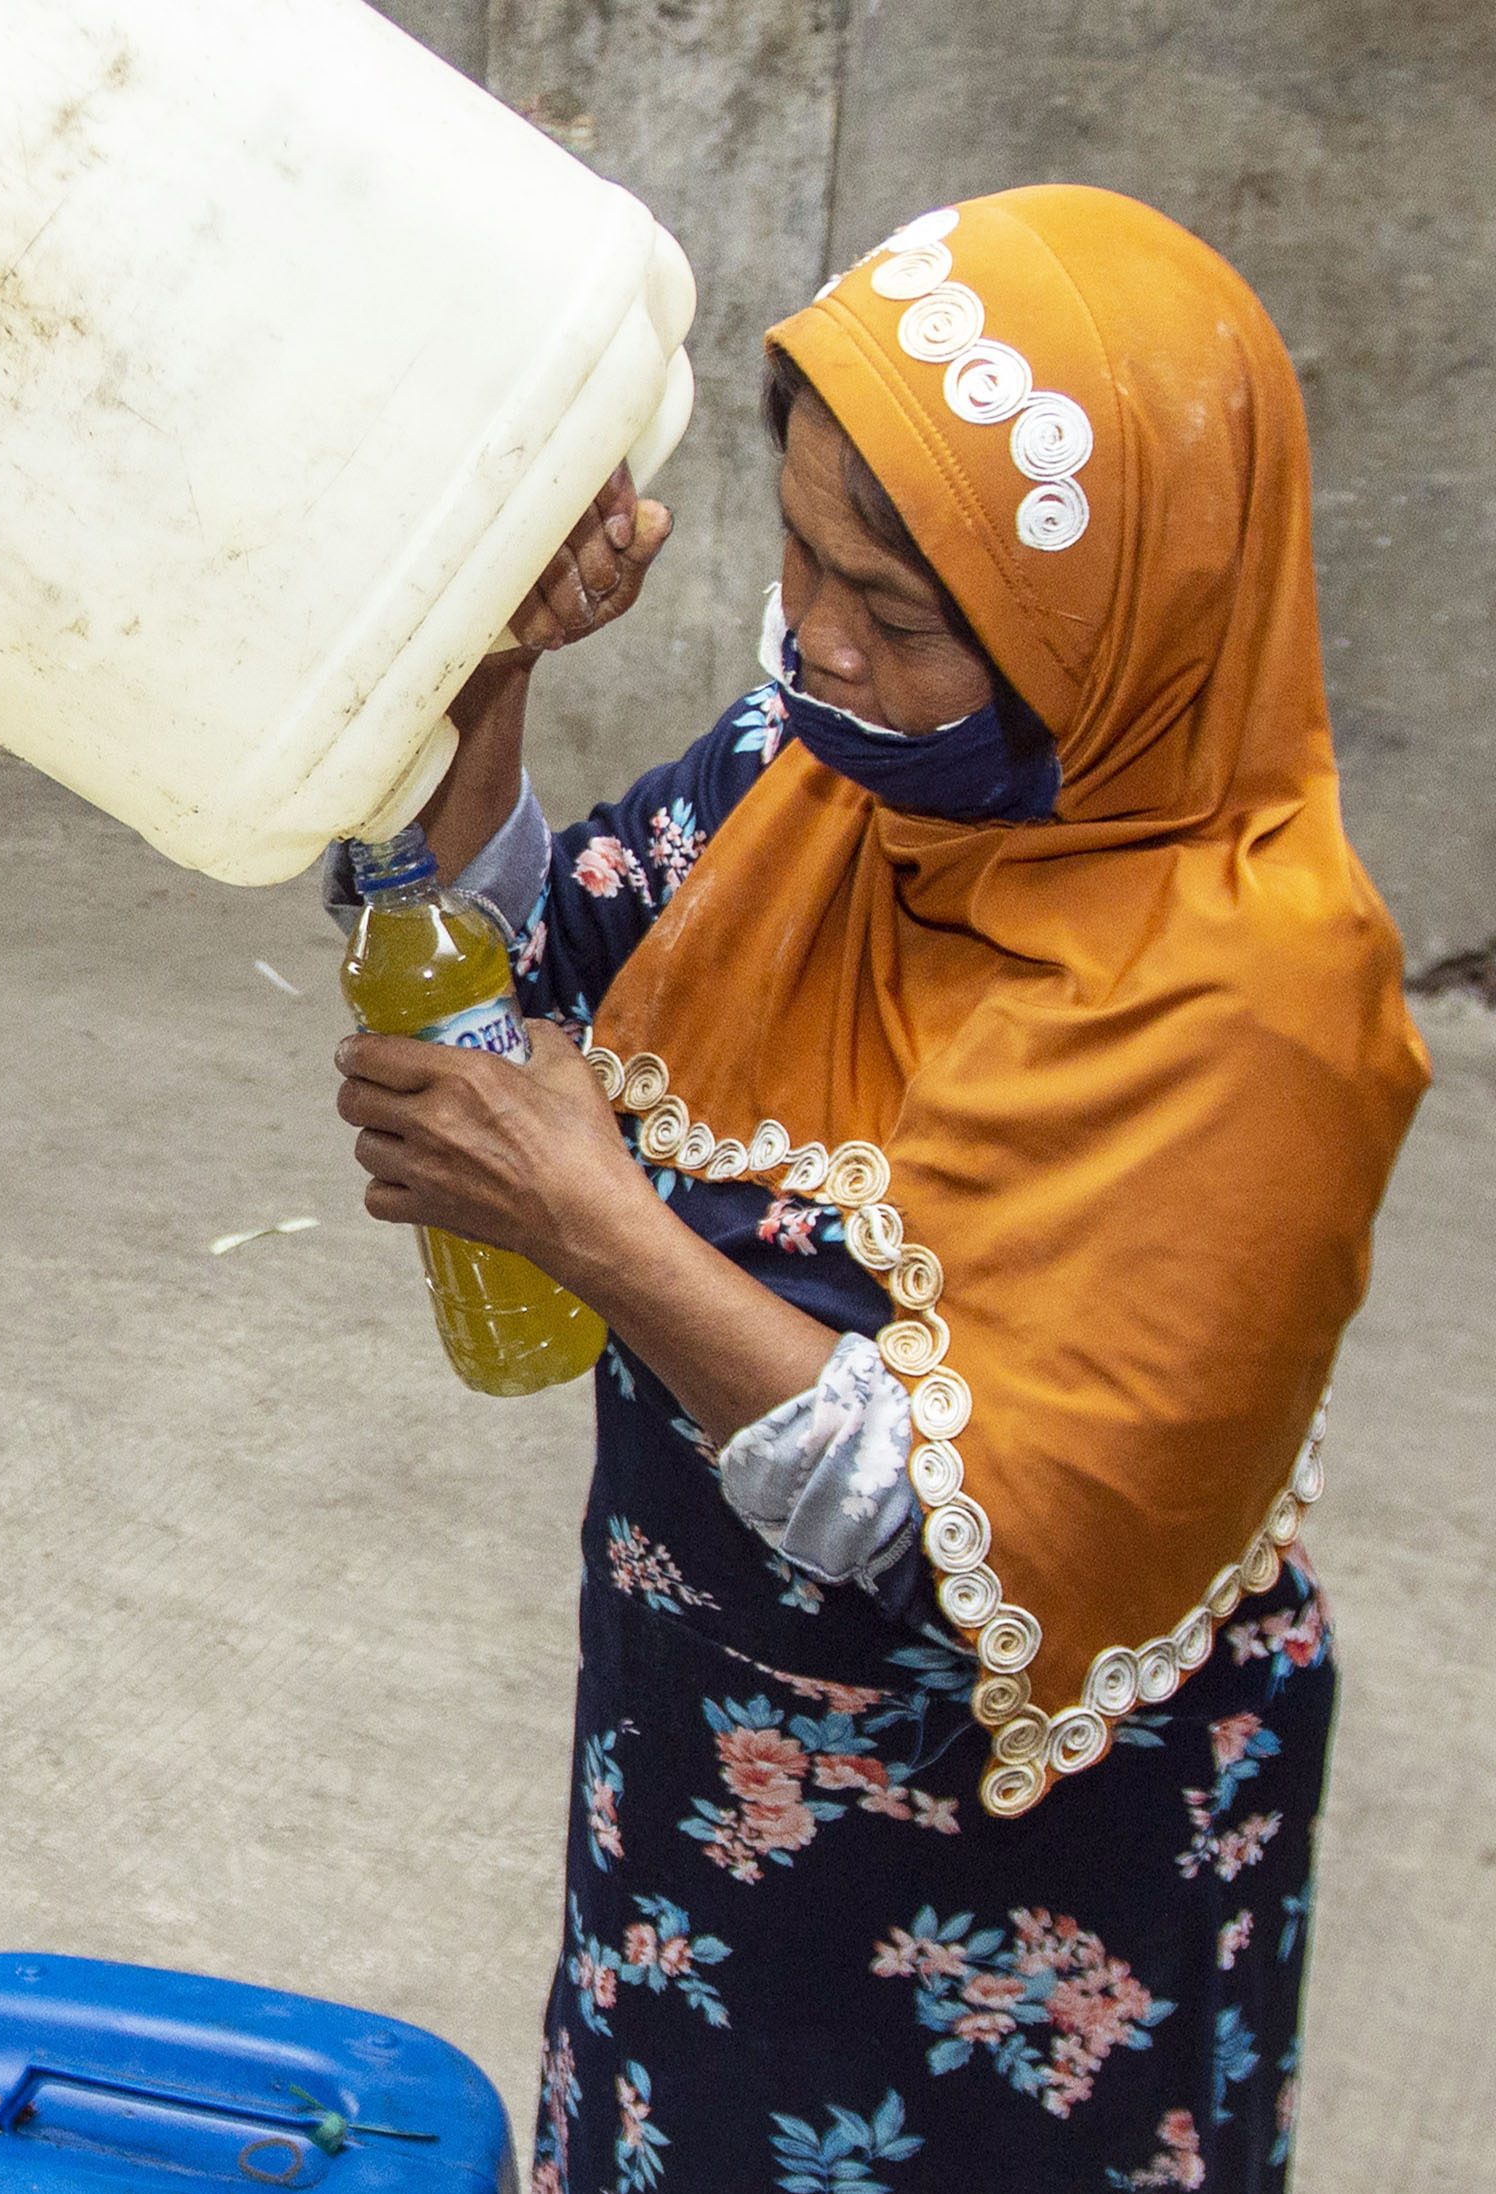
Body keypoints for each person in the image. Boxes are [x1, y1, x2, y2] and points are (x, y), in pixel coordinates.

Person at [330, 186, 1428, 2189]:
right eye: (799, 561)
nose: (816, 645)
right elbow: (528, 977)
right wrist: (481, 678)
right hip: (707, 1801)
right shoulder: (827, 772)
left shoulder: (1251, 1007)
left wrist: (594, 1223)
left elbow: (963, 1533)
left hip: (1024, 1904)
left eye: (898, 616)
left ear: (1110, 626)